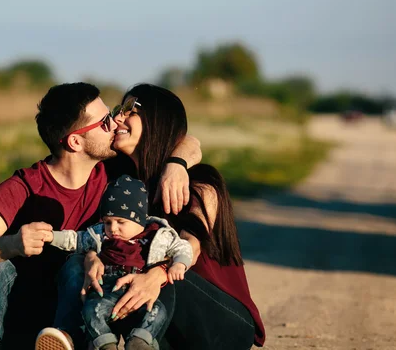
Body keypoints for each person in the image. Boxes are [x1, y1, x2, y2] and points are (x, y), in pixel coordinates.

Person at [0, 82, 202, 350]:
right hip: (23, 316)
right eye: (105, 122)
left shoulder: (116, 178)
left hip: (79, 316)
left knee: (77, 262)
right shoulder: (26, 185)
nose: (116, 122)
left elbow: (189, 141)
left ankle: (69, 337)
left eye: (114, 113)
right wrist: (11, 244)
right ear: (75, 141)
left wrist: (177, 164)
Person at [40, 84, 266, 349]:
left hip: (220, 321)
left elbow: (190, 249)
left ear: (156, 120)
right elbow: (100, 238)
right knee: (116, 278)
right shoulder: (123, 187)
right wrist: (91, 258)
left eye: (129, 109)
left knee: (156, 279)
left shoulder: (203, 184)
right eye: (117, 109)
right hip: (165, 320)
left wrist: (157, 275)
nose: (118, 118)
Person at [39, 174, 192, 350]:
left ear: (140, 219)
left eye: (121, 222)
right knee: (91, 311)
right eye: (107, 222)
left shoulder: (158, 235)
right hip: (107, 291)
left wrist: (180, 263)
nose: (113, 229)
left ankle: (140, 342)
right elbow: (76, 239)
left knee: (158, 312)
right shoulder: (100, 235)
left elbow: (182, 247)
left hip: (140, 292)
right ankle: (105, 344)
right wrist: (51, 236)